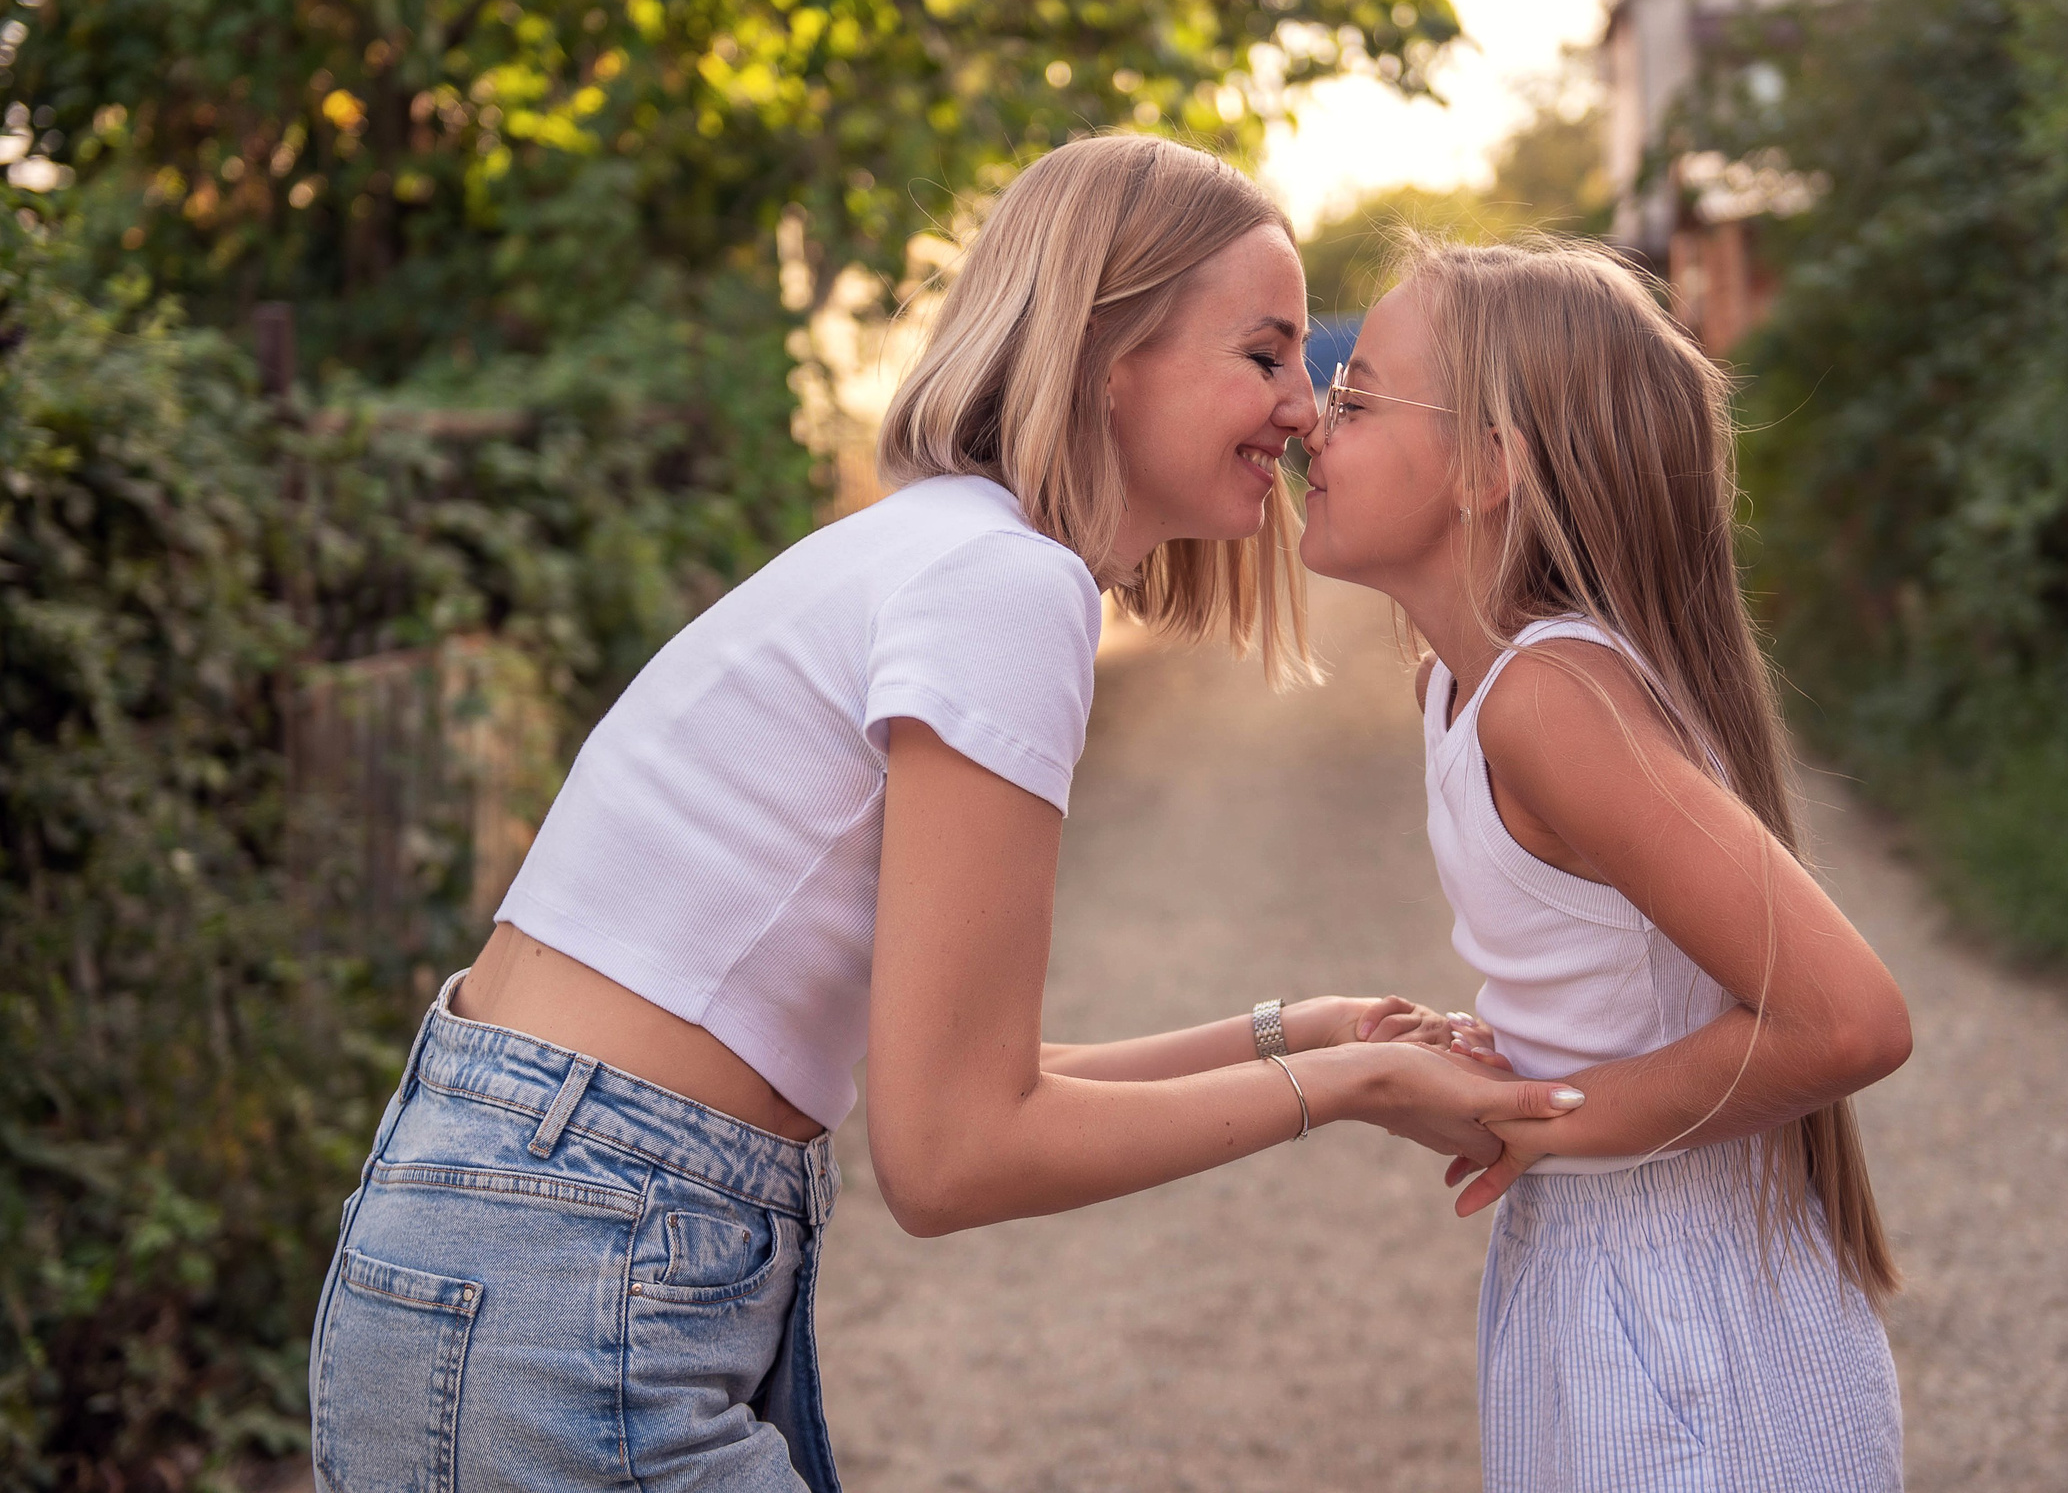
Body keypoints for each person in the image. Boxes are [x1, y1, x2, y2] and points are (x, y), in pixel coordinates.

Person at [304, 136, 1582, 1493]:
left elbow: (964, 1074)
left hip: (501, 1230)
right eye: (1265, 354)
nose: (1305, 410)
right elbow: (956, 1154)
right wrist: (1358, 1083)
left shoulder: (939, 546)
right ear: (1110, 355)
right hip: (574, 1261)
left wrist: (1292, 1031)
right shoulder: (1003, 585)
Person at [1296, 234, 1914, 1492]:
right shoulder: (1463, 689)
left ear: (1487, 466)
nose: (1311, 418)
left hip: (1685, 1312)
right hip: (1594, 1264)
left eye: (1356, 396)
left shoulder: (1551, 700)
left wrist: (1535, 1121)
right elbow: (1624, 984)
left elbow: (1849, 1020)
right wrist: (1511, 1059)